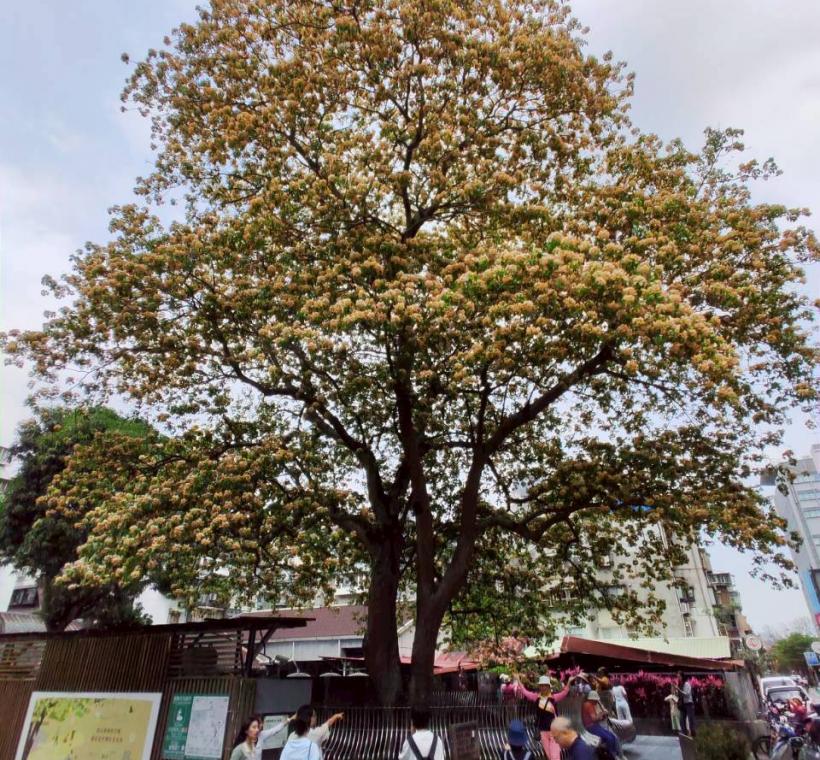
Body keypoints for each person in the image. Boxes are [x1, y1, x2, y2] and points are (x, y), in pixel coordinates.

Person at [501, 673, 574, 760]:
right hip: (543, 731)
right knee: (550, 756)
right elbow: (525, 692)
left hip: (555, 731)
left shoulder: (554, 698)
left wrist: (569, 682)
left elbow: (564, 692)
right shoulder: (536, 697)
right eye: (541, 685)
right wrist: (519, 680)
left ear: (548, 686)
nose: (543, 687)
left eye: (545, 685)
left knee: (555, 757)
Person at [581, 690, 623, 760]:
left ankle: (613, 754)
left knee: (612, 736)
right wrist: (602, 713)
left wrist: (602, 715)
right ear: (592, 699)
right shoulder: (589, 705)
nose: (597, 702)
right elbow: (594, 718)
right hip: (591, 727)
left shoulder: (589, 704)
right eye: (596, 700)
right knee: (609, 738)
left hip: (594, 726)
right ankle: (611, 755)